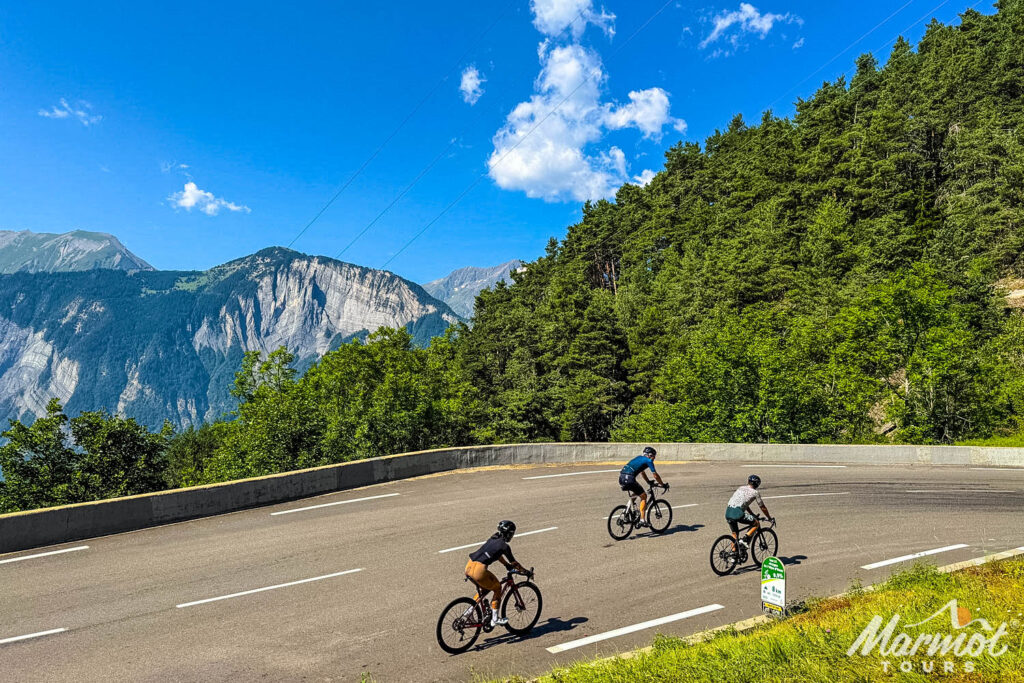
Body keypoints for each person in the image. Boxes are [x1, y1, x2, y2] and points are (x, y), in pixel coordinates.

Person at [464, 520, 528, 627]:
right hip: (479, 571)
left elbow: (496, 554)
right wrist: (526, 572)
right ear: (509, 534)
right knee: (497, 587)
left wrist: (505, 565)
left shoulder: (493, 538)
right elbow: (515, 563)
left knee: (485, 589)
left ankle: (469, 612)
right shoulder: (505, 546)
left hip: (469, 566)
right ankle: (495, 618)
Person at [618, 446, 668, 527]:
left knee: (636, 492)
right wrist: (662, 484)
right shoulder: (649, 461)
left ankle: (626, 512)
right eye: (654, 457)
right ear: (650, 455)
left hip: (621, 478)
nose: (654, 459)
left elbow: (642, 472)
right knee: (644, 496)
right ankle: (642, 520)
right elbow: (655, 476)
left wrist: (648, 481)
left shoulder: (639, 458)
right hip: (630, 478)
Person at [725, 474, 773, 548]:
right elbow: (762, 507)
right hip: (737, 513)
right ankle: (745, 539)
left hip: (728, 512)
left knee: (735, 534)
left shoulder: (740, 488)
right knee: (756, 523)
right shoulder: (755, 492)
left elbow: (744, 504)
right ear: (757, 484)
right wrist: (769, 518)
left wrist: (752, 514)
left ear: (748, 481)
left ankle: (733, 556)